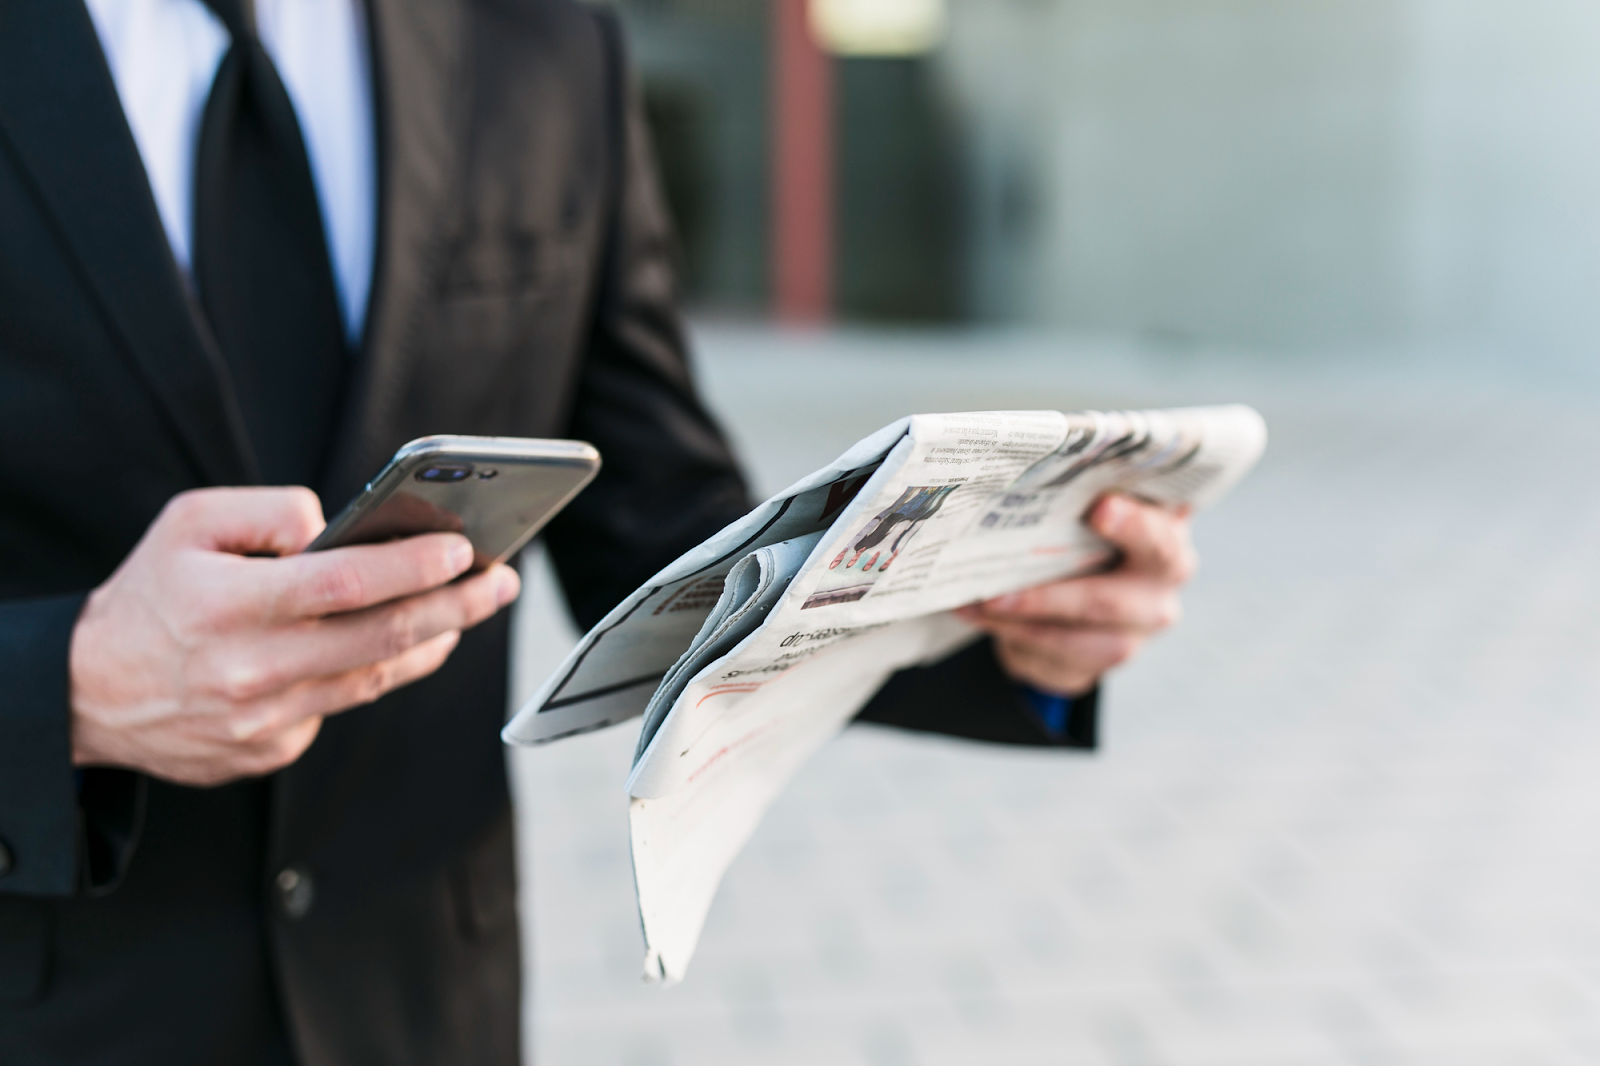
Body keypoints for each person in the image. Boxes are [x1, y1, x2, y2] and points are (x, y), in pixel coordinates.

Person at [0, 0, 1195, 1062]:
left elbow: (661, 529)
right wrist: (72, 690)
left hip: (419, 1001)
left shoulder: (541, 43)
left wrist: (1000, 606)